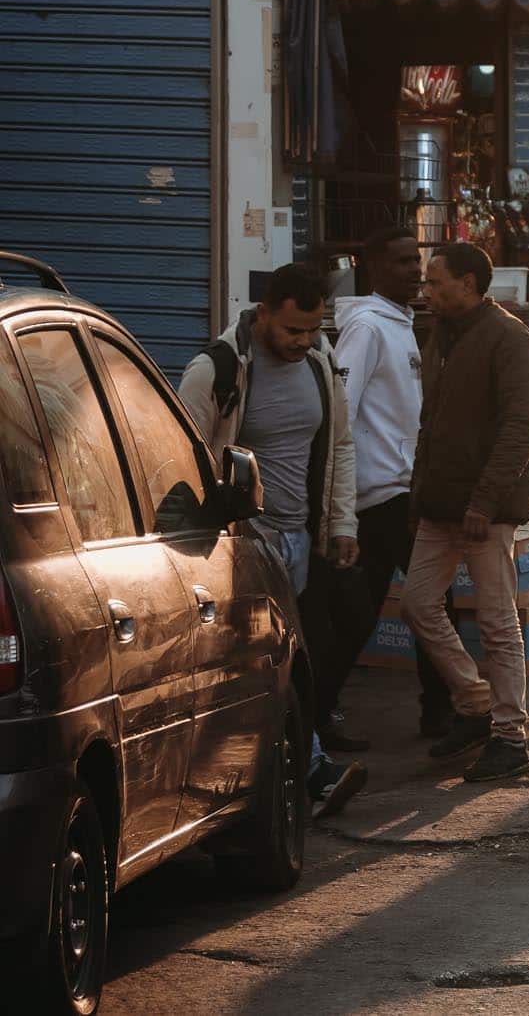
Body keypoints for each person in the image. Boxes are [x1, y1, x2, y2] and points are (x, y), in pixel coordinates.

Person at [178, 261, 367, 817]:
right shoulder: (216, 370)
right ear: (263, 314)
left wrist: (340, 523)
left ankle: (255, 781)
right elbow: (184, 460)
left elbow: (339, 447)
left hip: (298, 542)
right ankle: (310, 773)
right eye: (292, 331)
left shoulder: (319, 362)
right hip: (244, 543)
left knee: (271, 664)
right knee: (270, 661)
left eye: (312, 330)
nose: (303, 341)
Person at [405, 243, 529, 784]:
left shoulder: (509, 338)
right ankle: (475, 700)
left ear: (468, 282)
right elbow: (431, 422)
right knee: (417, 603)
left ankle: (511, 736)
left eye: (436, 283)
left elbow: (522, 428)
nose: (426, 291)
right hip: (441, 503)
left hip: (485, 509)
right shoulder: (441, 332)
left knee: (497, 622)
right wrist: (422, 495)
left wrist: (484, 502)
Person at [332, 226, 454, 741]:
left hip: (402, 487)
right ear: (375, 269)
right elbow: (342, 407)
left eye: (417, 260)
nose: (415, 270)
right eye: (403, 261)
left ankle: (436, 709)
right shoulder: (367, 328)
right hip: (379, 494)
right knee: (423, 605)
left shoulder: (403, 324)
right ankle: (441, 710)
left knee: (383, 609)